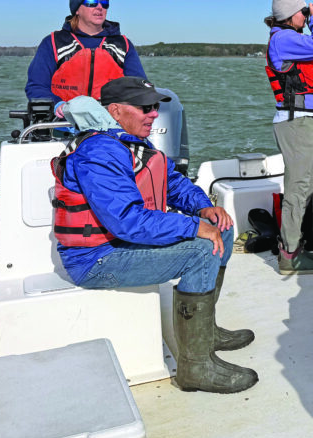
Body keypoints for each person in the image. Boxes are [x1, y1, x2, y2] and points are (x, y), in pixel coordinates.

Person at [52, 76, 257, 394]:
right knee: (201, 250)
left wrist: (204, 209)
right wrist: (191, 227)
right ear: (117, 111)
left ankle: (208, 332)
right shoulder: (98, 152)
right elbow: (126, 221)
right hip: (96, 258)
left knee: (222, 231)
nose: (153, 114)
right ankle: (195, 367)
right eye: (145, 107)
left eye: (155, 108)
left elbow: (172, 183)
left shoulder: (129, 143)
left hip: (122, 244)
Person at [264, 0, 313, 275]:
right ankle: (289, 255)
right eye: (303, 12)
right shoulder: (282, 39)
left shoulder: (295, 40)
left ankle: (294, 245)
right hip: (296, 122)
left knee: (305, 186)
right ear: (289, 15)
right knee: (297, 187)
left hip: (308, 121)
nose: (307, 16)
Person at [26, 0, 148, 118]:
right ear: (77, 9)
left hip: (111, 123)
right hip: (63, 122)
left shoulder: (123, 45)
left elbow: (140, 87)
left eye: (104, 4)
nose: (99, 8)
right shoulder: (53, 42)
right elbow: (36, 86)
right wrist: (57, 105)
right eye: (92, 3)